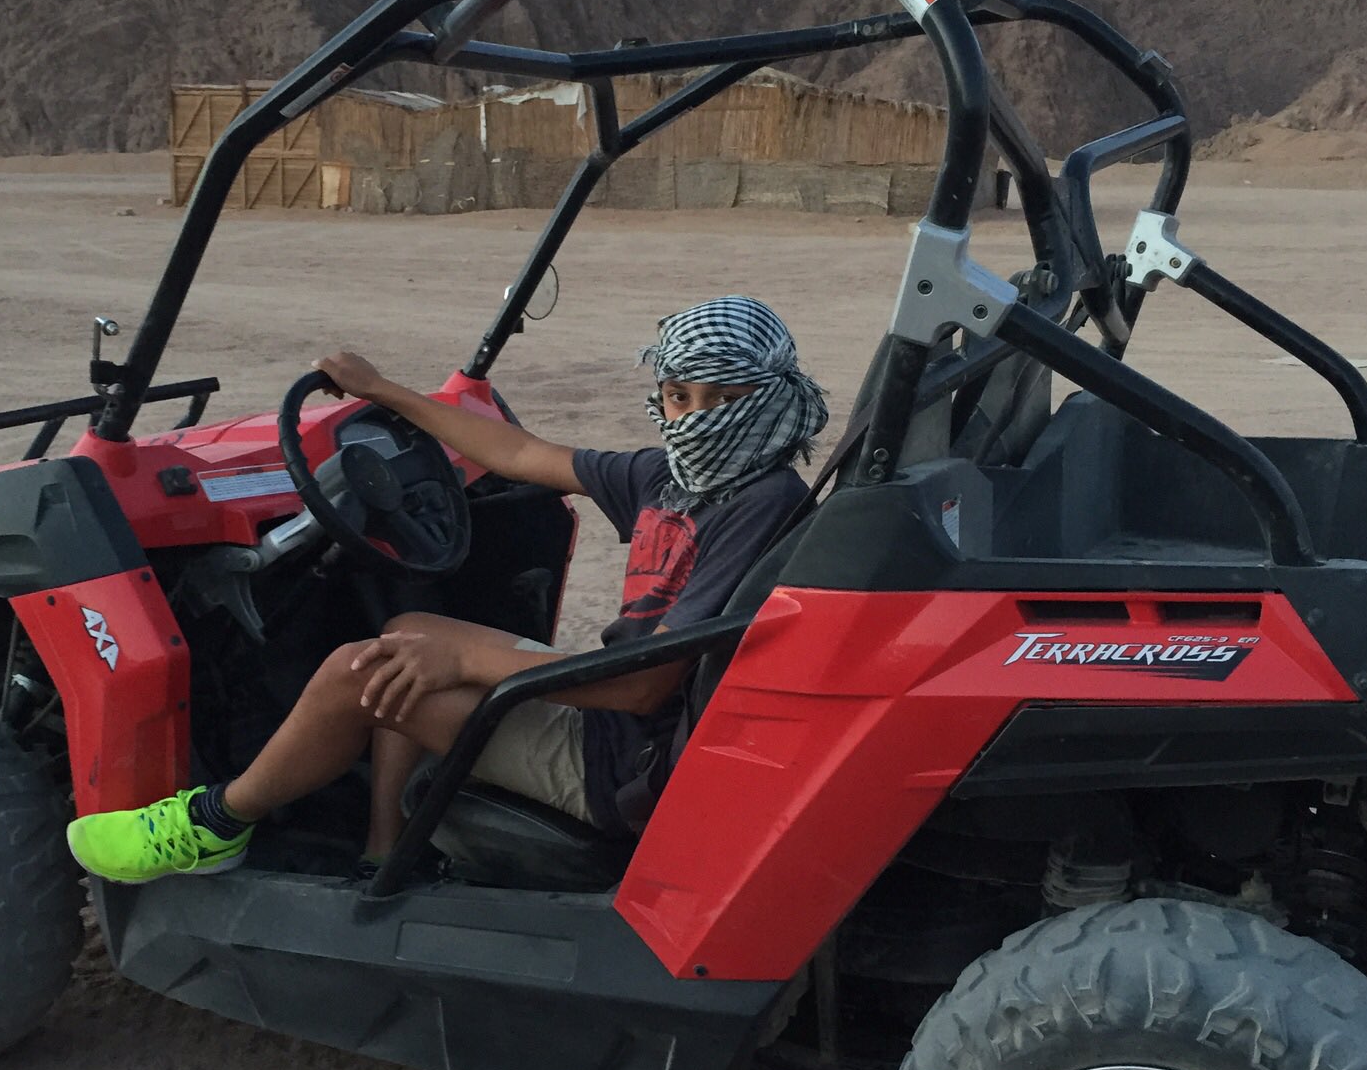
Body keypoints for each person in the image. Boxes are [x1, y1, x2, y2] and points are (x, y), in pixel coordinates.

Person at [66, 296, 828, 886]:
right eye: (678, 397)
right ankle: (386, 853)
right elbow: (520, 452)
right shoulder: (672, 477)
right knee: (408, 631)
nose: (693, 419)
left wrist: (463, 656)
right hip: (629, 726)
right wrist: (383, 392)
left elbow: (643, 685)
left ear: (769, 397)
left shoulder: (759, 502)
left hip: (631, 761)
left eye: (720, 399)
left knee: (360, 673)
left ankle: (214, 825)